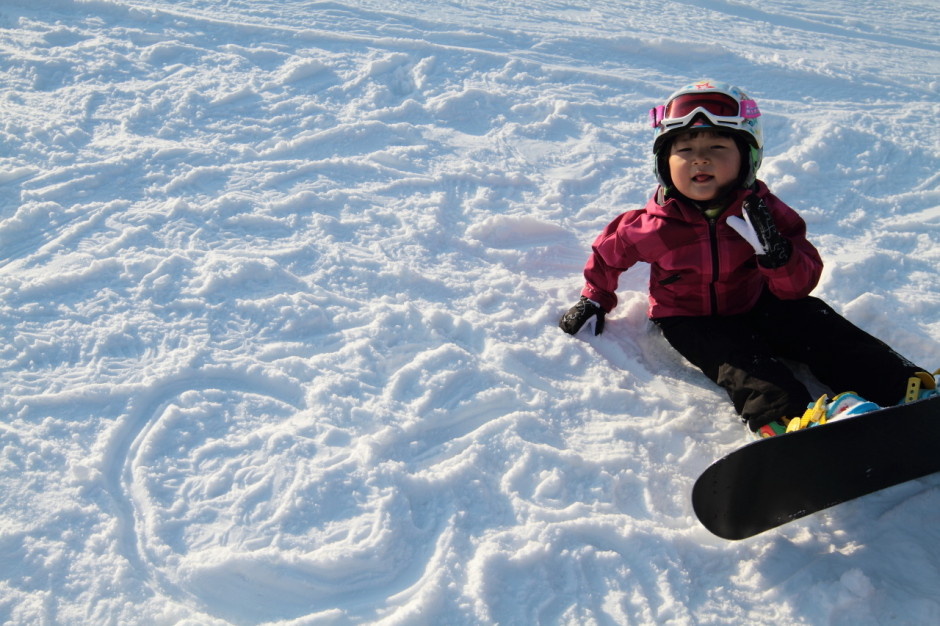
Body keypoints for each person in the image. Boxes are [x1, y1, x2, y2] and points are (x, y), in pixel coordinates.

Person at [559, 79, 936, 437]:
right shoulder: (652, 226)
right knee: (742, 362)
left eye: (717, 148)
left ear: (748, 158)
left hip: (757, 300)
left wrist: (779, 257)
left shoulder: (764, 212)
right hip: (689, 317)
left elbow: (799, 284)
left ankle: (903, 387)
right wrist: (595, 298)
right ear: (664, 162)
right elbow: (608, 255)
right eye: (685, 150)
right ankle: (787, 419)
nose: (699, 160)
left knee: (818, 324)